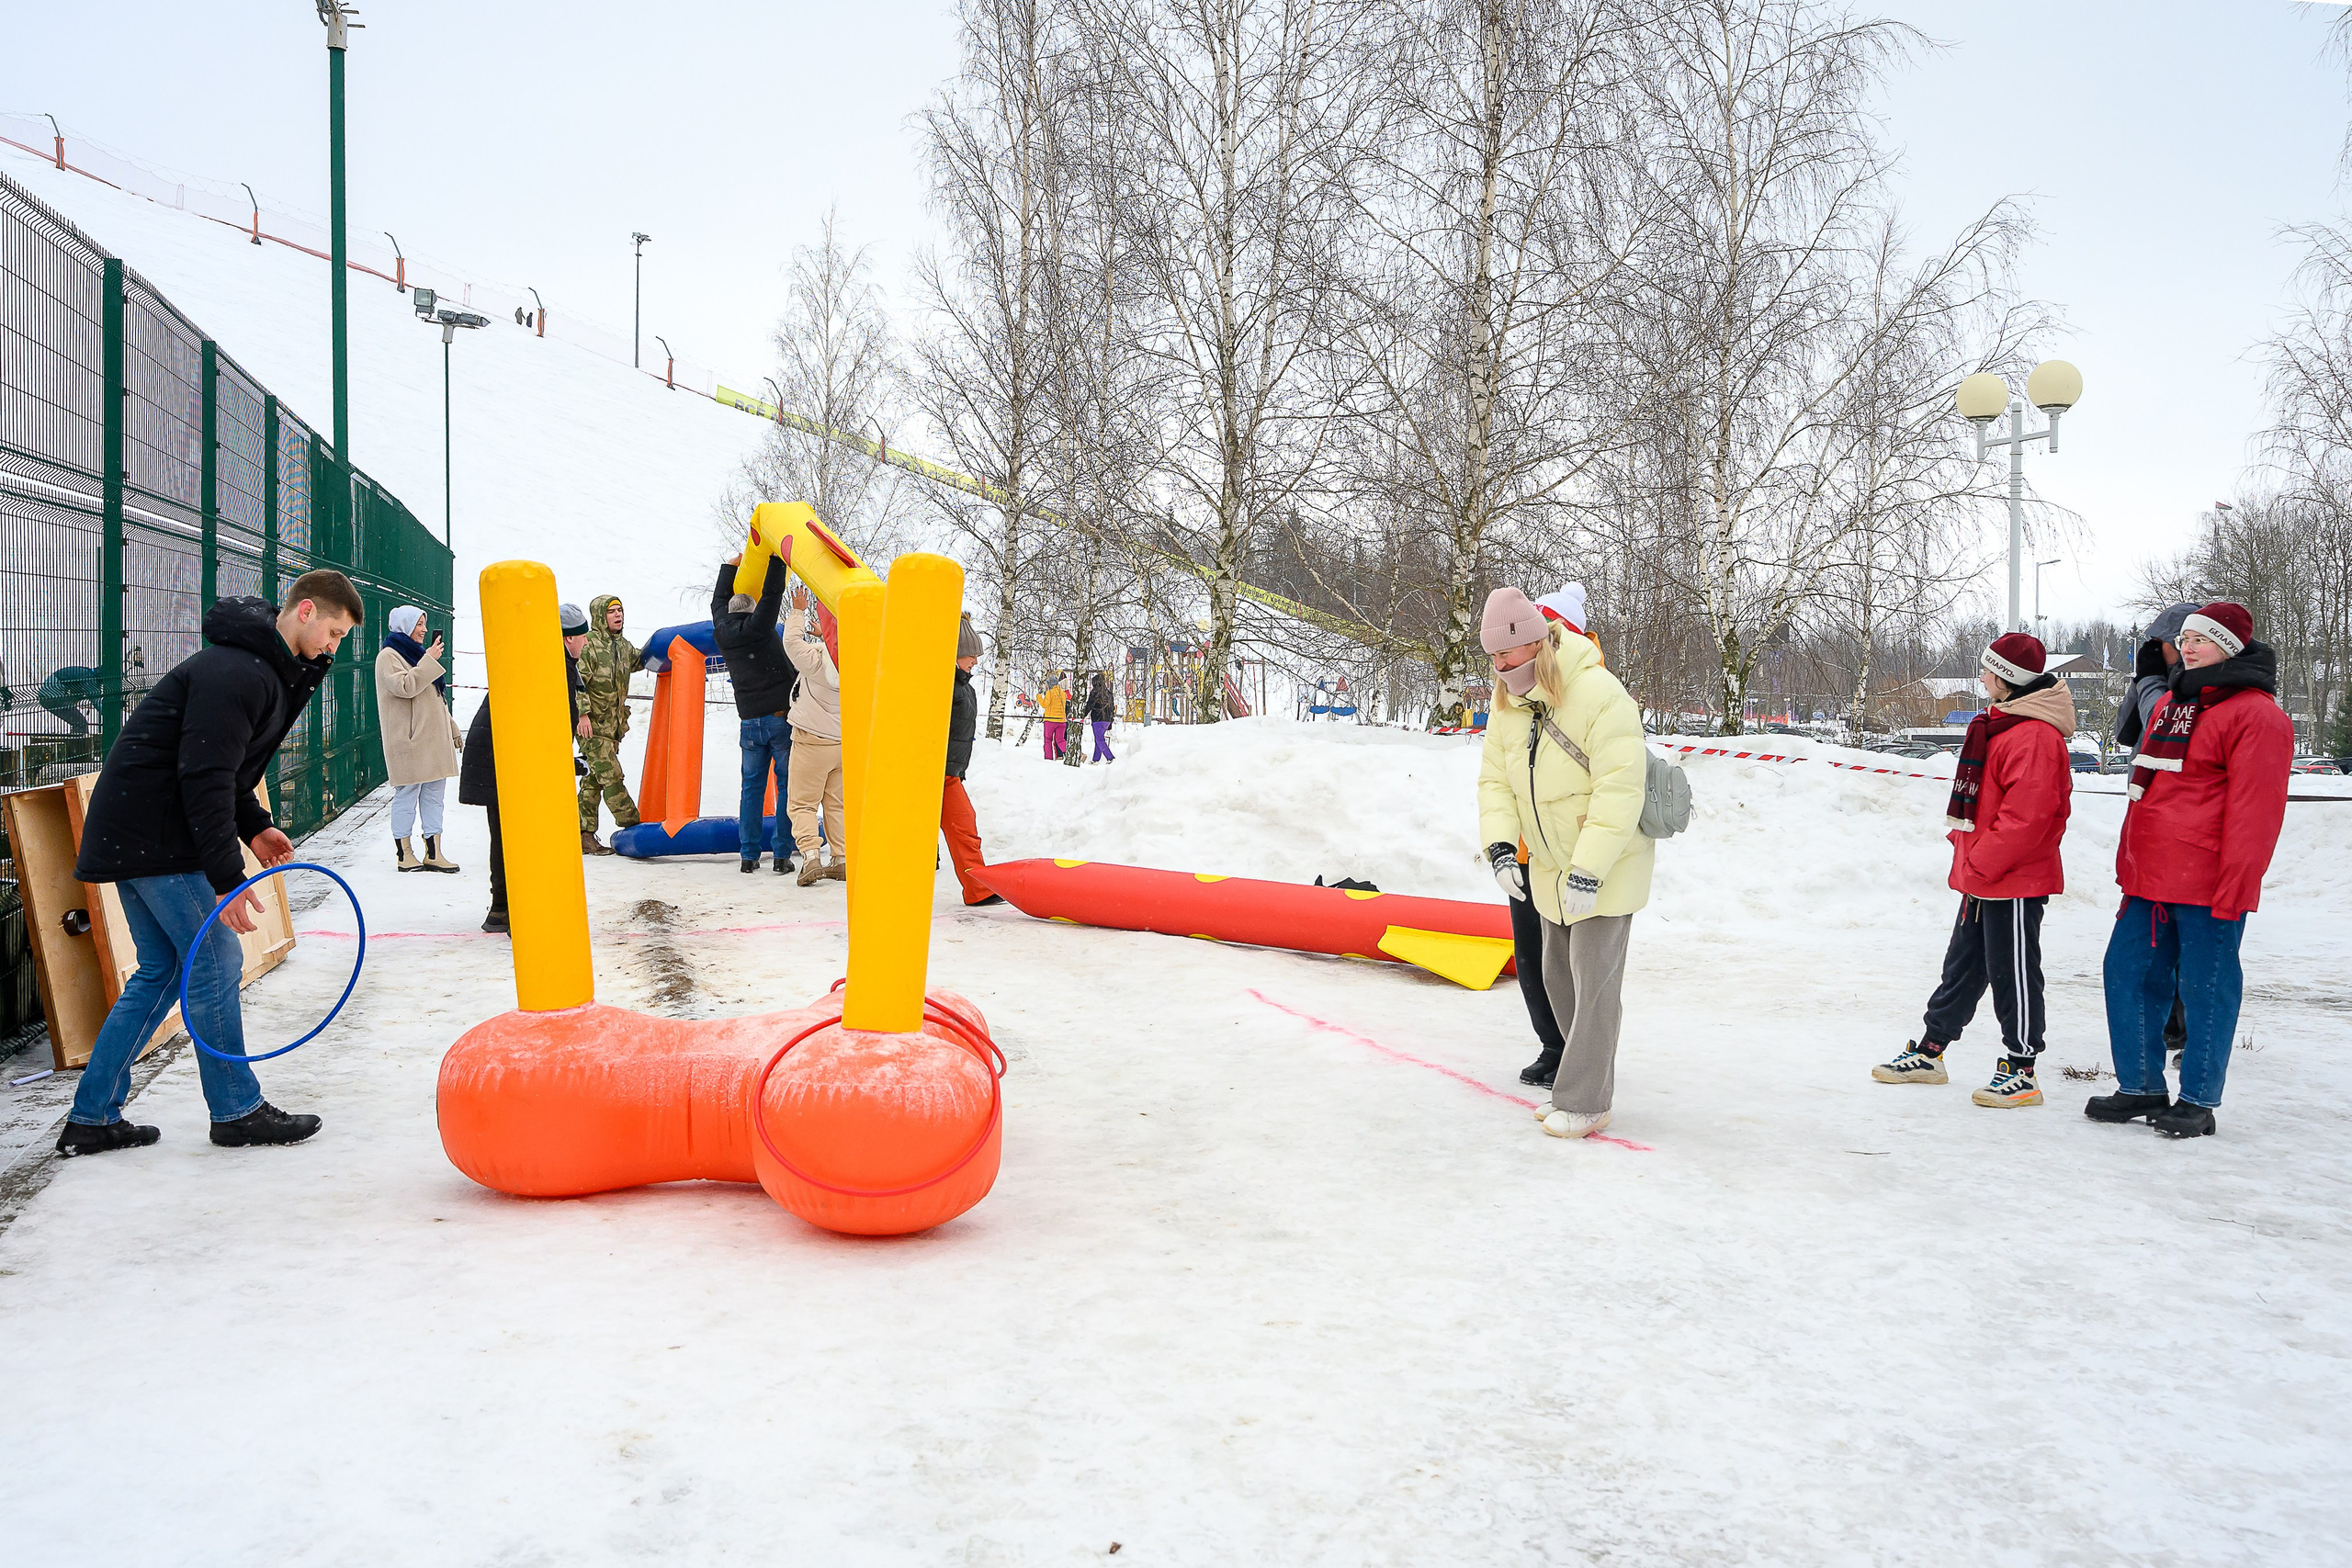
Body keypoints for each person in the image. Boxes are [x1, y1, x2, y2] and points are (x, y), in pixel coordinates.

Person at [56, 571, 362, 1156]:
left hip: (138, 831)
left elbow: (221, 770)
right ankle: (236, 1110)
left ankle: (92, 1116)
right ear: (304, 612)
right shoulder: (237, 673)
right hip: (157, 839)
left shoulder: (256, 668)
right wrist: (228, 877)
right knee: (215, 958)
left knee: (165, 971)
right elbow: (204, 777)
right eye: (333, 631)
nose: (333, 646)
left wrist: (255, 826)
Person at [2089, 602, 2292, 1139]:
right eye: (2185, 638)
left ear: (2230, 648)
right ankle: (2140, 1086)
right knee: (2127, 976)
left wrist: (2237, 885)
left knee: (2207, 988)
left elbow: (2256, 812)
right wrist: (2129, 865)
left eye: (2204, 639)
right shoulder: (2173, 705)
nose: (2190, 646)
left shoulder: (2257, 715)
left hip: (2208, 883)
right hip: (2150, 880)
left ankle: (2198, 1100)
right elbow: (2147, 790)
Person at [1476, 586, 1654, 1140]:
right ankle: (1574, 1086)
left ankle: (1585, 1099)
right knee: (1558, 980)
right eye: (1493, 660)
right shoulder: (1507, 703)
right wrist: (1501, 847)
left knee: (1594, 984)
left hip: (1605, 865)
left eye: (1506, 656)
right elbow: (1495, 782)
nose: (1499, 669)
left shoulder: (1600, 694)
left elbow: (1619, 789)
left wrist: (1590, 868)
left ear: (1534, 643)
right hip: (1549, 867)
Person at [1872, 633, 2075, 1107]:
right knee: (1962, 968)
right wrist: (1967, 851)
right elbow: (1986, 806)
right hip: (1985, 875)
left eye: (1988, 670)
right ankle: (1930, 1051)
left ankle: (2022, 1069)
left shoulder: (2036, 736)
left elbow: (2028, 818)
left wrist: (1981, 859)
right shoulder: (1999, 726)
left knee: (2014, 973)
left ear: (2009, 680)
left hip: (2012, 878)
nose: (1981, 677)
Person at [460, 604, 587, 932]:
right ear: (568, 638)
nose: (585, 643)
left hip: (499, 757)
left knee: (505, 835)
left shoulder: (538, 656)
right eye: (582, 637)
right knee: (515, 836)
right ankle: (510, 909)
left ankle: (504, 909)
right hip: (504, 761)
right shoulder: (556, 663)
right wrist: (561, 759)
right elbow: (552, 721)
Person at [2116, 601, 2202, 1053]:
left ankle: (2184, 1023)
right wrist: (2143, 678)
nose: (2161, 651)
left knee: (2185, 938)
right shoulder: (2165, 678)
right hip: (2153, 820)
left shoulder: (2193, 688)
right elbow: (2126, 731)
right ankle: (2170, 1017)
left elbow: (2159, 720)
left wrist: (2148, 679)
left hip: (2181, 828)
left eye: (2163, 645)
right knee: (2157, 934)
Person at [713, 550, 799, 875]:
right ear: (750, 612)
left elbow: (718, 603)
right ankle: (781, 855)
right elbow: (773, 595)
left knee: (751, 789)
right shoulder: (759, 628)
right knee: (787, 787)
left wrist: (729, 568)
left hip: (749, 723)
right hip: (780, 720)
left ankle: (748, 856)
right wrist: (778, 559)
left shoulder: (722, 632)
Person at [376, 604, 463, 874]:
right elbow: (405, 687)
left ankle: (434, 853)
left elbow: (436, 699)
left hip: (433, 739)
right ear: (404, 625)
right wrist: (428, 660)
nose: (425, 630)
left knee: (435, 795)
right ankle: (405, 854)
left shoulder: (416, 654)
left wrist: (452, 728)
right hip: (410, 741)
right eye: (419, 625)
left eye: (425, 624)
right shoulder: (388, 656)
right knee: (408, 793)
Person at [781, 583, 846, 886]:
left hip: (811, 741)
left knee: (802, 804)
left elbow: (792, 641)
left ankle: (810, 857)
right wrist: (826, 636)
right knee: (836, 804)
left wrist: (797, 610)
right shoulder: (860, 663)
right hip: (841, 743)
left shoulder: (817, 661)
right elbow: (838, 650)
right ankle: (842, 858)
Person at [943, 614, 1001, 907]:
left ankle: (978, 889)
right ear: (954, 654)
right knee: (961, 827)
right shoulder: (942, 683)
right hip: (932, 775)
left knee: (964, 826)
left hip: (949, 774)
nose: (975, 661)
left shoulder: (963, 686)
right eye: (971, 655)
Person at [576, 592, 641, 855]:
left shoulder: (624, 647)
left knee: (594, 780)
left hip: (612, 729)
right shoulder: (589, 645)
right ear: (600, 616)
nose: (618, 615)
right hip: (590, 727)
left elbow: (641, 659)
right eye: (612, 611)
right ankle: (634, 825)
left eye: (620, 611)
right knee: (612, 776)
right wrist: (582, 715)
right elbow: (576, 681)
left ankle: (584, 835)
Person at [38, 663, 103, 735]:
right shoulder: (89, 677)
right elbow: (96, 701)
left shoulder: (86, 673)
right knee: (80, 722)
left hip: (49, 696)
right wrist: (110, 715)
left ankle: (77, 740)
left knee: (78, 721)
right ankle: (78, 743)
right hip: (53, 696)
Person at [1085, 671, 1117, 762]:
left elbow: (1089, 705)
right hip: (1106, 720)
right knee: (1098, 739)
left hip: (1097, 719)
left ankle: (1110, 757)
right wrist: (1110, 720)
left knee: (1099, 739)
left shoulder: (1094, 692)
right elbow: (1112, 708)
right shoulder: (1109, 694)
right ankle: (1096, 759)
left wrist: (1083, 715)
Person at [1036, 672, 1070, 760]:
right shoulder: (1062, 693)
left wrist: (1039, 696)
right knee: (1060, 740)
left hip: (1050, 720)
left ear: (1049, 684)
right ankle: (1070, 754)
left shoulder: (1049, 693)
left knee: (1048, 740)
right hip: (1062, 721)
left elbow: (1044, 705)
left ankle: (1048, 759)